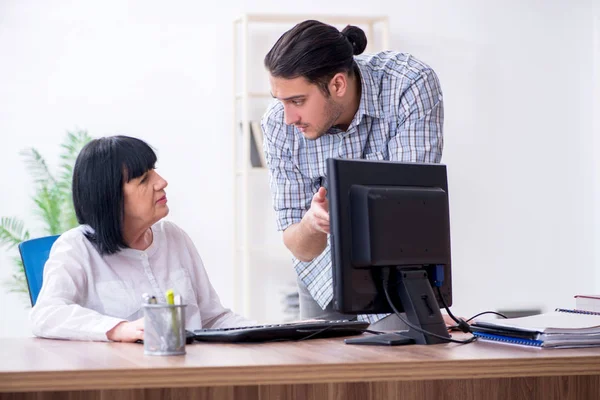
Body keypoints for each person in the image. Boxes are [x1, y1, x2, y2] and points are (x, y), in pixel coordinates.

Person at [261, 20, 448, 330]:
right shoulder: (278, 126)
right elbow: (300, 247)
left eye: (297, 101)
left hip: (397, 270)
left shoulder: (408, 84)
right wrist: (312, 224)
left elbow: (411, 212)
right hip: (323, 276)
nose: (288, 117)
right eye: (280, 101)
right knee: (326, 376)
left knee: (407, 371)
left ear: (337, 85)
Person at [30, 135, 250, 342]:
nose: (162, 182)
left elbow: (212, 319)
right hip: (123, 375)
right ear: (110, 196)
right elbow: (46, 314)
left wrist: (270, 332)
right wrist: (119, 329)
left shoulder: (174, 237)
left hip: (188, 370)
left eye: (154, 171)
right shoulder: (76, 247)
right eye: (144, 179)